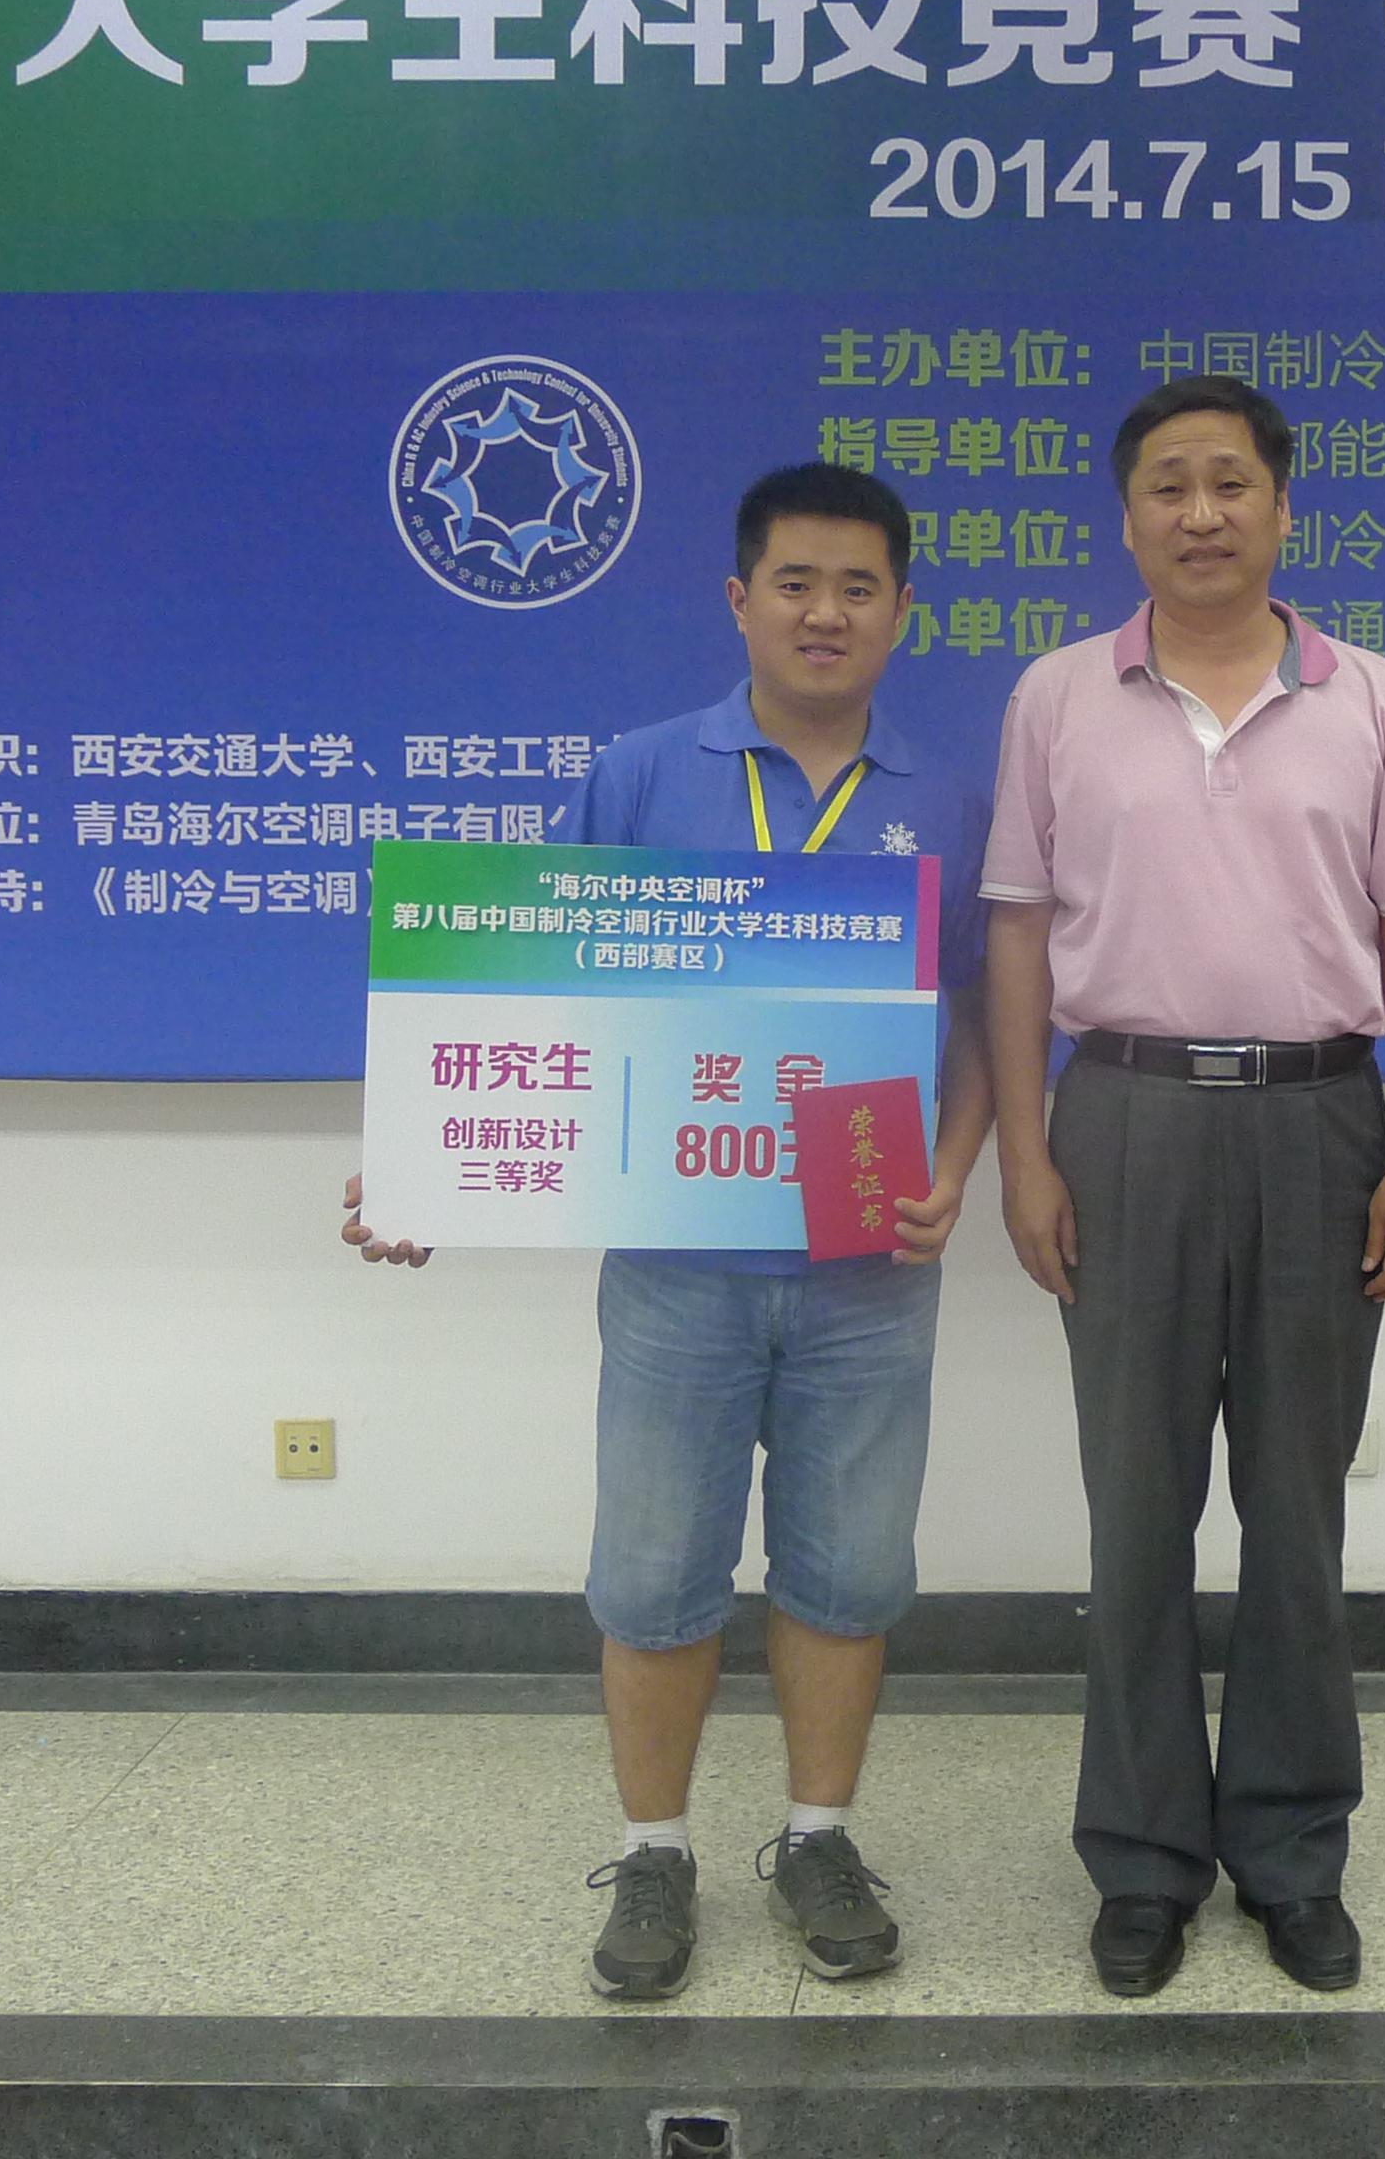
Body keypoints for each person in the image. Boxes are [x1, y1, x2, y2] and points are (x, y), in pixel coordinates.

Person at [342, 461, 992, 2001]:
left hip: (867, 1264)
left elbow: (984, 1018)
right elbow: (525, 980)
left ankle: (818, 1838)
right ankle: (652, 1853)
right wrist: (426, 1167)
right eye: (796, 583)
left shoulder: (949, 800)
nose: (826, 612)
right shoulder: (639, 776)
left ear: (903, 611)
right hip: (679, 1266)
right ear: (739, 599)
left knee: (851, 1570)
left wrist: (956, 1164)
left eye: (858, 588)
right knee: (651, 1574)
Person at [979, 374, 1385, 1997]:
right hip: (1121, 1119)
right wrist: (1030, 1152)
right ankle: (1140, 1859)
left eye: (1231, 483)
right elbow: (1018, 934)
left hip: (1323, 1122)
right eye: (1169, 486)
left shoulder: (1372, 696)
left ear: (1281, 506)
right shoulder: (1057, 696)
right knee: (1135, 1512)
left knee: (1297, 1513)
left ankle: (1291, 1850)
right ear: (1127, 519)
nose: (1202, 513)